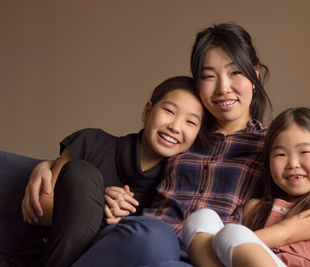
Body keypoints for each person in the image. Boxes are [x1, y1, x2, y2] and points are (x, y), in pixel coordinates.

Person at [71, 22, 272, 266]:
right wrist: (53, 166)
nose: (223, 88)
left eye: (235, 73)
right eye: (209, 76)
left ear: (255, 77)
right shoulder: (183, 133)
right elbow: (122, 156)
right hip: (140, 239)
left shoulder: (272, 146)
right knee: (156, 238)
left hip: (201, 255)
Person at [2, 76, 204, 267]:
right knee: (82, 175)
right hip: (32, 259)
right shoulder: (92, 143)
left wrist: (118, 224)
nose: (175, 126)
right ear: (147, 110)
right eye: (169, 111)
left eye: (191, 122)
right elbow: (40, 209)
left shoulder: (172, 186)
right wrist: (97, 205)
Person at [182, 107, 310, 267]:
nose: (293, 163)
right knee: (200, 219)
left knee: (231, 234)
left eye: (304, 152)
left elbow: (286, 233)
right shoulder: (256, 208)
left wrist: (224, 244)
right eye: (280, 154)